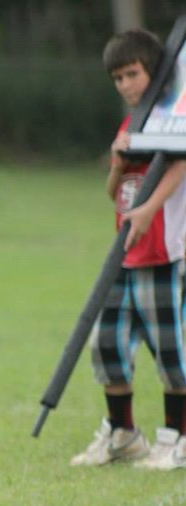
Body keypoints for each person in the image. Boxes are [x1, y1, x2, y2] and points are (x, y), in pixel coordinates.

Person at [70, 29, 186, 470]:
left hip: (162, 253)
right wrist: (117, 166)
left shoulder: (172, 119)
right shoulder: (131, 122)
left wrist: (148, 211)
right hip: (124, 256)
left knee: (171, 351)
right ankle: (123, 434)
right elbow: (113, 194)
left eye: (132, 73)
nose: (125, 84)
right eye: (117, 77)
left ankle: (178, 437)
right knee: (107, 345)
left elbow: (178, 164)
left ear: (154, 72)